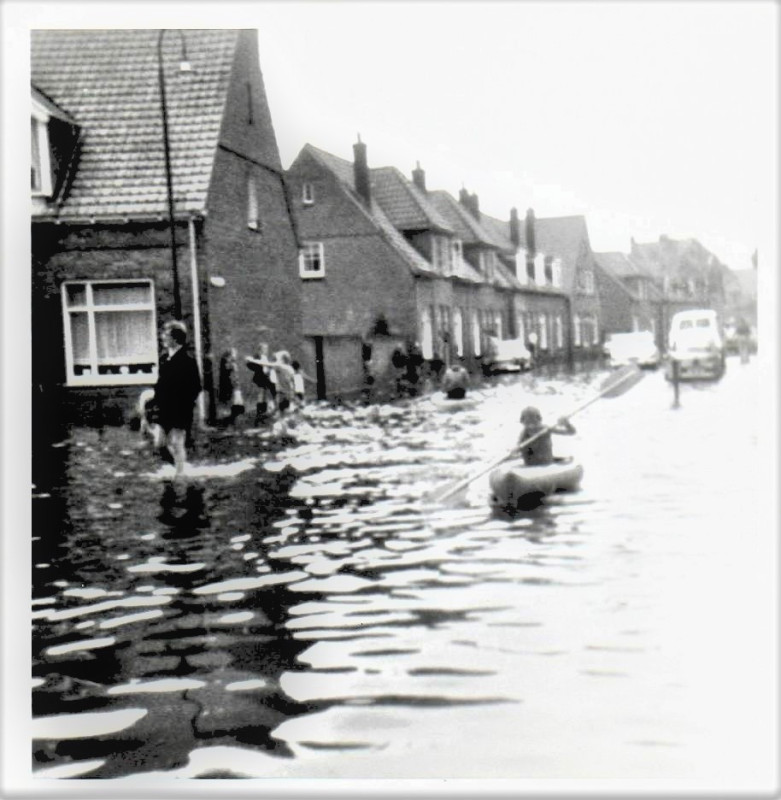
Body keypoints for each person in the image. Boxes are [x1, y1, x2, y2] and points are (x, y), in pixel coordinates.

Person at [153, 320, 202, 480]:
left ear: (175, 338)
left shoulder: (188, 361)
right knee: (159, 443)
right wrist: (155, 403)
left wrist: (185, 405)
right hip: (164, 409)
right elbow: (161, 385)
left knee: (177, 441)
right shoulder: (164, 359)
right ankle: (179, 465)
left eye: (166, 335)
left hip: (180, 409)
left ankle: (180, 474)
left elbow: (196, 387)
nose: (162, 338)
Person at [246, 341, 276, 424]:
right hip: (260, 378)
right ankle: (259, 414)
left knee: (265, 396)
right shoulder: (257, 356)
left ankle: (263, 414)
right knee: (260, 395)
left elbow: (269, 366)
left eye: (266, 349)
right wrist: (258, 368)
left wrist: (269, 371)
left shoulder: (267, 357)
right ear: (260, 349)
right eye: (264, 348)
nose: (266, 350)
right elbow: (249, 364)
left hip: (266, 378)